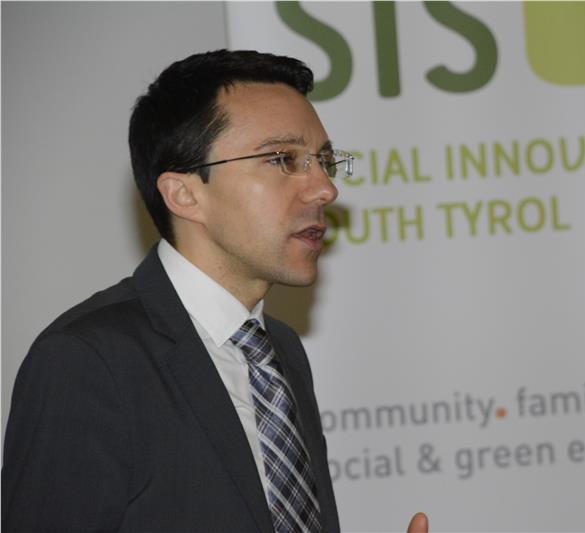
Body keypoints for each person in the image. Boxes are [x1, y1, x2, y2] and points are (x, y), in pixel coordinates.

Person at [2, 49, 428, 533]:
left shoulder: (280, 350)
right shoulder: (89, 361)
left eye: (324, 161)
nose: (325, 189)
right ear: (185, 194)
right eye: (282, 159)